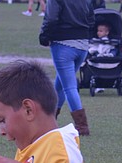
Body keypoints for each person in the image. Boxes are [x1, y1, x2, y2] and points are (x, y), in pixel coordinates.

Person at [38, 0, 93, 136]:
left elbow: (51, 18)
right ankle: (50, 120)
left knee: (69, 87)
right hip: (82, 46)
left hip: (63, 44)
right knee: (61, 84)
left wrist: (44, 35)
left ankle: (82, 126)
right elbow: (92, 17)